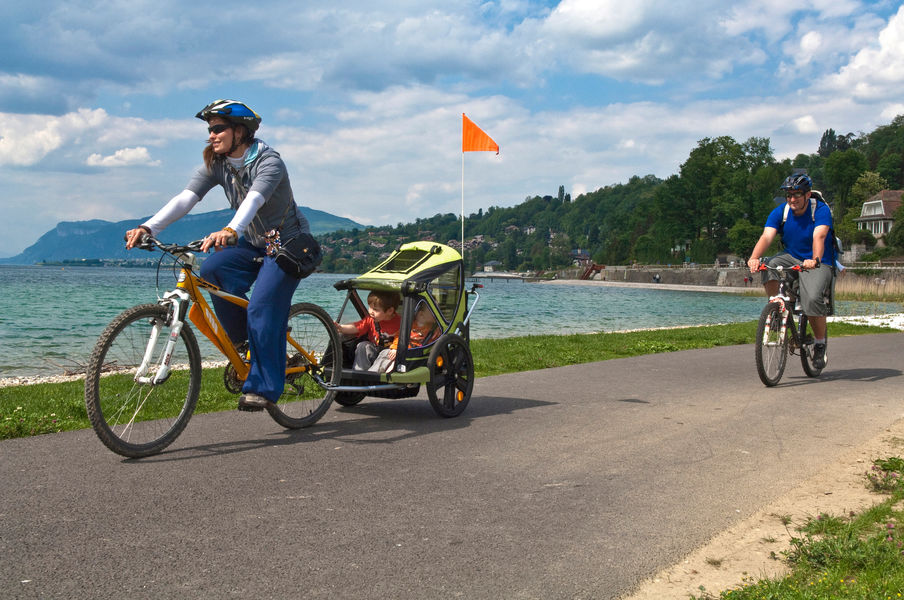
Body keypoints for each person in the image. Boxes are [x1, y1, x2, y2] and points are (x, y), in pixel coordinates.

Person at [125, 99, 311, 412]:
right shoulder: (218, 163)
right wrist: (149, 227)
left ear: (240, 131)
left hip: (286, 244)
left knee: (263, 307)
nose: (211, 135)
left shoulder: (269, 162)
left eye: (217, 129)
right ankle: (245, 343)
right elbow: (186, 198)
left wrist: (231, 230)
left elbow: (254, 200)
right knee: (212, 271)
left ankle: (263, 387)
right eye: (209, 130)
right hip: (252, 242)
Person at [747, 173, 836, 369]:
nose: (792, 199)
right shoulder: (781, 212)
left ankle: (820, 344)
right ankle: (777, 308)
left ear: (808, 194)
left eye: (797, 194)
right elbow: (767, 236)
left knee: (812, 298)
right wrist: (754, 258)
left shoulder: (820, 210)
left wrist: (814, 259)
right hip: (791, 256)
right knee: (769, 264)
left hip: (819, 260)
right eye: (789, 195)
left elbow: (819, 236)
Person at [334, 290, 401, 371]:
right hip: (374, 352)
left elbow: (404, 337)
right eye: (370, 307)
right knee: (363, 345)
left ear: (390, 311)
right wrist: (341, 328)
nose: (370, 312)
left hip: (389, 356)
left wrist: (395, 348)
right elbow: (357, 327)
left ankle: (372, 375)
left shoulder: (400, 322)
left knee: (387, 353)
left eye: (375, 310)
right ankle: (358, 372)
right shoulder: (371, 320)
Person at [369, 301, 441, 373]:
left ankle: (373, 374)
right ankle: (373, 372)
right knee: (386, 353)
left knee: (387, 355)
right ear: (421, 314)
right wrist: (395, 348)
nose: (438, 314)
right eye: (434, 312)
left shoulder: (434, 329)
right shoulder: (410, 325)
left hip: (414, 356)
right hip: (402, 351)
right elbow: (399, 336)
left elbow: (437, 344)